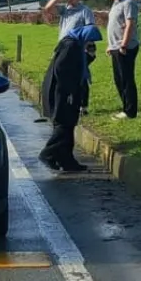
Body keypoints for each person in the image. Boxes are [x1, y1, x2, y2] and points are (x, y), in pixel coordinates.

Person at [38, 25, 100, 173]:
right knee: (64, 124)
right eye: (90, 40)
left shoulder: (72, 43)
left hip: (62, 91)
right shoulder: (71, 45)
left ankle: (66, 160)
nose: (90, 43)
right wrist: (70, 92)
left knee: (68, 124)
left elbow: (74, 66)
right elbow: (62, 69)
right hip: (62, 92)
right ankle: (48, 153)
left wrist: (88, 57)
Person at [105, 0, 140, 120]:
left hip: (125, 47)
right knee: (119, 79)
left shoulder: (128, 3)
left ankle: (130, 111)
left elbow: (130, 24)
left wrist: (123, 44)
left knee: (126, 79)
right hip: (115, 46)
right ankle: (125, 107)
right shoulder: (116, 4)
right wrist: (110, 45)